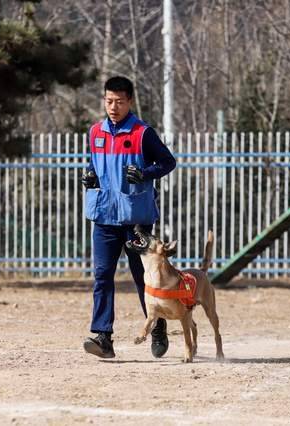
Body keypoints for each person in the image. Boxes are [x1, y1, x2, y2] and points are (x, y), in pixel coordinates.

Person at [81, 76, 176, 359]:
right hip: (104, 217)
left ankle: (157, 327)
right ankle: (103, 337)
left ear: (130, 101)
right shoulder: (95, 132)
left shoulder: (142, 133)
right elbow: (94, 164)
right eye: (109, 101)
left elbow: (168, 162)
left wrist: (145, 173)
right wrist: (90, 177)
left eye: (119, 101)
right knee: (101, 276)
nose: (113, 106)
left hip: (136, 219)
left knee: (144, 277)